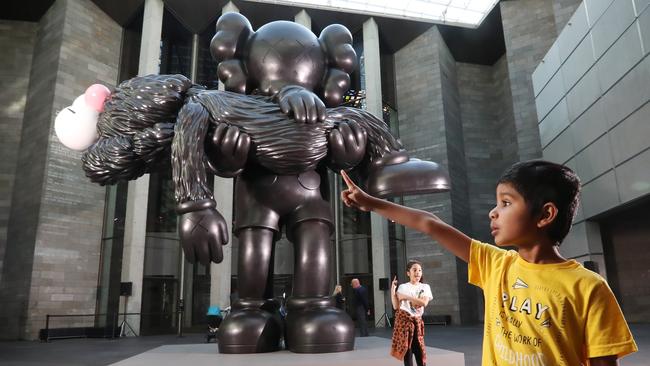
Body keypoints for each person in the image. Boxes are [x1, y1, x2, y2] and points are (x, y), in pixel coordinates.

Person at [341, 160, 638, 365]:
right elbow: (430, 223)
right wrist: (371, 203)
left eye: (506, 203)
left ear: (545, 215)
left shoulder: (589, 287)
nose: (493, 213)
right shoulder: (494, 263)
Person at [390, 260, 432, 366]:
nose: (418, 272)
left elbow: (424, 302)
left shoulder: (425, 287)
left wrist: (406, 297)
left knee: (420, 355)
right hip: (404, 325)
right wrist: (393, 291)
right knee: (407, 356)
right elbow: (396, 306)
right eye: (415, 270)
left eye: (420, 270)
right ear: (408, 273)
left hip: (417, 324)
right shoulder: (403, 287)